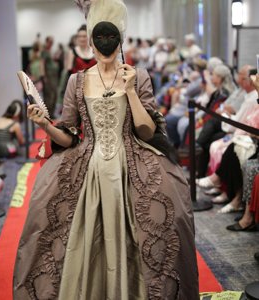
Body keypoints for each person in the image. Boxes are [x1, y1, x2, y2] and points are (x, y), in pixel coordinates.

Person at [13, 0, 199, 298]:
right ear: (91, 41)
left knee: (170, 214)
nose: (104, 45)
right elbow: (69, 137)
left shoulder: (137, 76)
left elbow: (147, 130)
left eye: (109, 38)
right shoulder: (78, 80)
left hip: (133, 157)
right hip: (88, 161)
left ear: (119, 40)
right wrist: (45, 125)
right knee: (50, 218)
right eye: (99, 39)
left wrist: (130, 90)